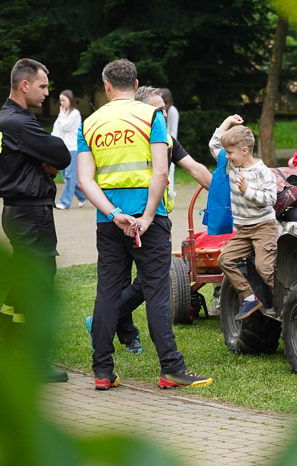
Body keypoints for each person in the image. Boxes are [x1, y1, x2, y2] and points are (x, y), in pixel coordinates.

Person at [77, 58, 211, 391]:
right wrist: (148, 216)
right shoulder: (151, 116)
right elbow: (162, 173)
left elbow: (84, 180)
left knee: (107, 293)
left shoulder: (89, 123)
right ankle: (170, 369)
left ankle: (103, 372)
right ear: (136, 86)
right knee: (156, 293)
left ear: (107, 86)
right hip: (149, 220)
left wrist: (112, 214)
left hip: (109, 222)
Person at [95, 86, 213, 353]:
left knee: (132, 285)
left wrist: (222, 194)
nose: (164, 113)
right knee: (140, 284)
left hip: (129, 219)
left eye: (165, 109)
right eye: (157, 109)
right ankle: (123, 334)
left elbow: (195, 168)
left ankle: (110, 329)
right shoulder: (136, 137)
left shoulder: (166, 139)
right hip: (133, 220)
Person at [0, 58, 71, 383]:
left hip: (17, 211)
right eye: (42, 86)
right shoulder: (20, 123)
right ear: (24, 85)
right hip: (31, 213)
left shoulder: (3, 120)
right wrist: (45, 163)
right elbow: (62, 154)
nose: (46, 93)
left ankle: (4, 355)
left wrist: (41, 162)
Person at [210, 115, 278, 320]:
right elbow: (215, 143)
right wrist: (228, 122)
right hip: (244, 230)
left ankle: (285, 301)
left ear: (245, 151)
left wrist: (248, 191)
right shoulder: (231, 166)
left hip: (264, 226)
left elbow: (271, 199)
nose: (227, 156)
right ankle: (249, 299)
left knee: (265, 268)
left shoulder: (261, 172)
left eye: (230, 153)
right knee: (225, 260)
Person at [53, 90, 86, 210]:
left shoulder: (75, 113)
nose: (61, 103)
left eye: (63, 100)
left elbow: (64, 127)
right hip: (62, 149)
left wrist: (61, 116)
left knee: (70, 177)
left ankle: (64, 202)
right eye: (60, 100)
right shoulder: (63, 113)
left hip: (73, 149)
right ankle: (83, 196)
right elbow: (57, 128)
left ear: (70, 100)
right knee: (65, 176)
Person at [160, 88, 179, 198]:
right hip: (159, 144)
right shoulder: (158, 111)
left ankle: (170, 194)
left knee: (170, 171)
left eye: (167, 103)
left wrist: (170, 147)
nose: (165, 106)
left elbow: (173, 132)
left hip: (170, 144)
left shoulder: (172, 111)